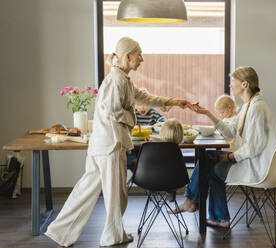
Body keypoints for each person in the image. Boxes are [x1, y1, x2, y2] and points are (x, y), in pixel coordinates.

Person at [45, 37, 192, 247]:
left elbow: (142, 97)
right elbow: (113, 110)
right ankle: (112, 236)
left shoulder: (122, 78)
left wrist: (172, 102)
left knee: (87, 191)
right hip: (111, 145)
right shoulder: (117, 80)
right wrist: (132, 119)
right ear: (128, 56)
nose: (142, 59)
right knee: (117, 196)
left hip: (102, 144)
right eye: (139, 55)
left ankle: (61, 232)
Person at [172, 66, 276, 229]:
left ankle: (206, 210)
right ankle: (209, 212)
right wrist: (207, 113)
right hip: (251, 158)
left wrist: (230, 157)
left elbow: (254, 146)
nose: (230, 86)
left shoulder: (256, 108)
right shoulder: (248, 106)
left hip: (257, 166)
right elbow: (229, 131)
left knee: (212, 170)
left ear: (244, 85)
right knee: (207, 158)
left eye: (233, 82)